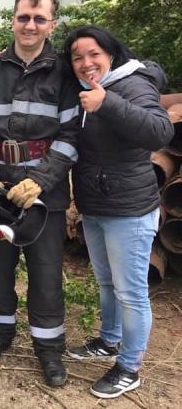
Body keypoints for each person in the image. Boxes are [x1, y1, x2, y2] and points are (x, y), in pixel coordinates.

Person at [0, 0, 80, 387]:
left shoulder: (64, 72)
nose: (30, 25)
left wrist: (41, 180)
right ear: (12, 20)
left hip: (43, 193)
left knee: (45, 274)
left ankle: (49, 351)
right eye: (23, 17)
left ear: (52, 24)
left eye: (39, 19)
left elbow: (70, 136)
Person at [63, 25, 174, 399]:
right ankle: (109, 341)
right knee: (106, 282)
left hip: (129, 210)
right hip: (95, 205)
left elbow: (160, 132)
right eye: (77, 57)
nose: (86, 62)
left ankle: (130, 366)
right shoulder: (85, 87)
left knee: (131, 292)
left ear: (112, 53)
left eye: (93, 53)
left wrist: (107, 102)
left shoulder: (132, 85)